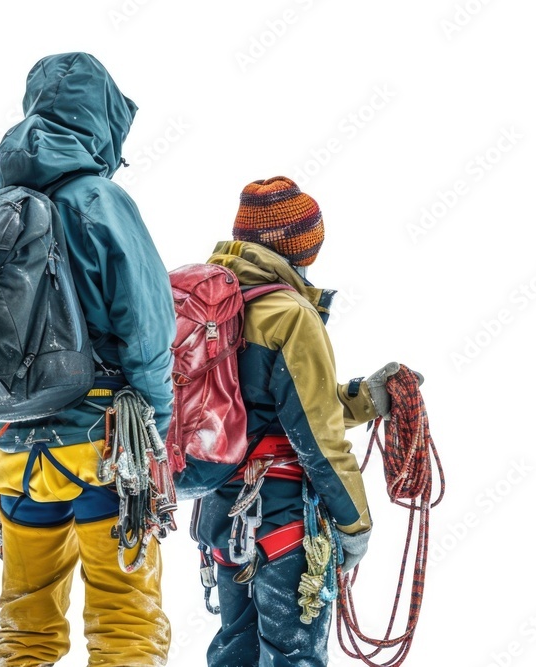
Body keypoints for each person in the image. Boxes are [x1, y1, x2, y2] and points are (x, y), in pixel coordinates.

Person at [0, 52, 177, 666]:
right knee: (126, 624)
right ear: (102, 121)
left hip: (16, 453)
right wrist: (157, 429)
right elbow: (148, 328)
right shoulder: (99, 200)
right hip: (105, 449)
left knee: (25, 629)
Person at [193, 176, 410, 667]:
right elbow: (317, 436)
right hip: (284, 521)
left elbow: (264, 407)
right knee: (293, 658)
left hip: (222, 514)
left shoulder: (211, 304)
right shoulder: (288, 314)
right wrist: (356, 524)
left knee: (235, 650)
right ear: (299, 246)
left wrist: (367, 398)